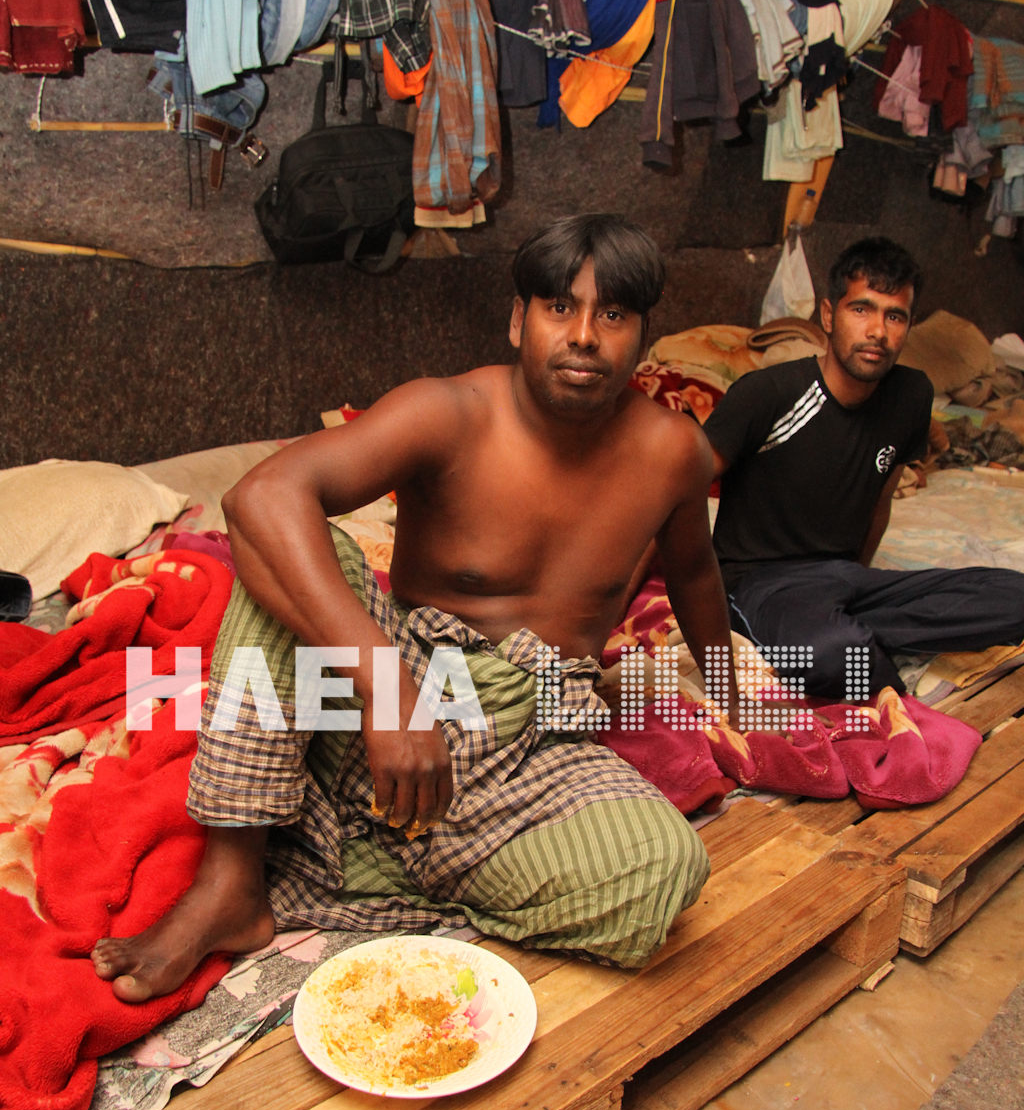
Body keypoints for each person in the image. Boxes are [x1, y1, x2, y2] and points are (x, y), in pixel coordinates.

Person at [92, 213, 740, 1003]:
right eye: (558, 308)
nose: (583, 336)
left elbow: (696, 575)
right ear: (517, 320)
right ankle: (229, 881)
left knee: (664, 872)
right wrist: (387, 687)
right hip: (383, 710)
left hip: (530, 746)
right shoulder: (449, 411)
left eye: (612, 315)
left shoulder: (673, 451)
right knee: (296, 544)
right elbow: (260, 496)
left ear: (641, 335)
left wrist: (735, 692)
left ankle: (375, 854)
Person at [703, 235, 1024, 701]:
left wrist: (857, 574)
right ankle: (889, 686)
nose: (878, 330)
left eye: (895, 316)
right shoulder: (767, 394)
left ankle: (856, 633)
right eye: (862, 310)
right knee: (834, 651)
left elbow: (880, 500)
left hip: (848, 578)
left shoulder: (911, 395)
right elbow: (675, 493)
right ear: (830, 315)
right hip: (758, 586)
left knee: (1013, 595)